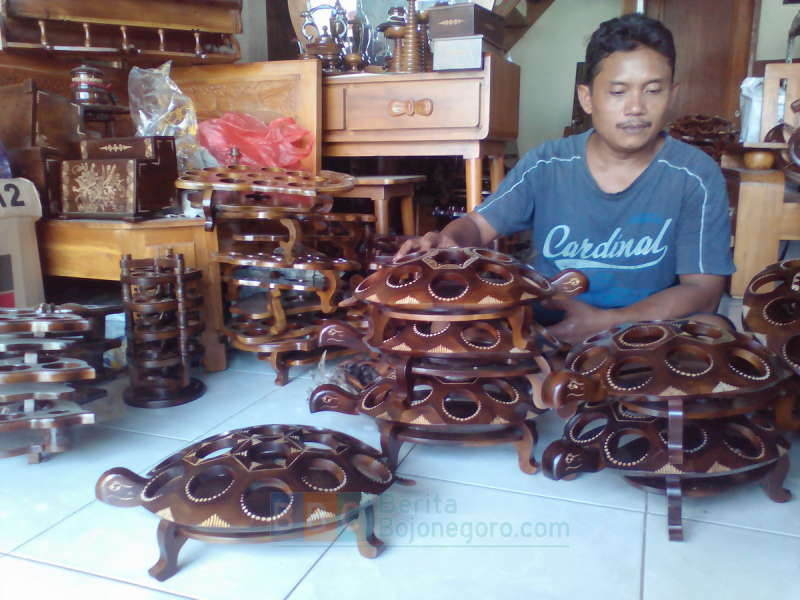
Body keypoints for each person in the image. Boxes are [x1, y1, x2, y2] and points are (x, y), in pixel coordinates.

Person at [395, 13, 735, 345]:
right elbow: (477, 227)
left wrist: (611, 321)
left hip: (645, 328)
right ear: (587, 97)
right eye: (618, 92)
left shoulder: (696, 175)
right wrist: (446, 241)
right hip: (553, 319)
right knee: (445, 320)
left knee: (714, 330)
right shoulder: (548, 163)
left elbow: (703, 291)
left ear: (672, 94)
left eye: (652, 91)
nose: (636, 107)